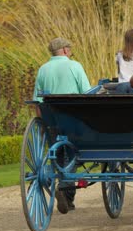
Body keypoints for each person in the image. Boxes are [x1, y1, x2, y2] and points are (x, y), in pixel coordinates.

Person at [33, 37, 91, 214]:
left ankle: (58, 185)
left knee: (57, 153)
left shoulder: (43, 69)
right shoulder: (75, 66)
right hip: (72, 118)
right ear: (65, 50)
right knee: (71, 153)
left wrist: (44, 123)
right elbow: (87, 93)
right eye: (70, 49)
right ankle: (66, 193)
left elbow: (37, 101)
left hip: (51, 120)